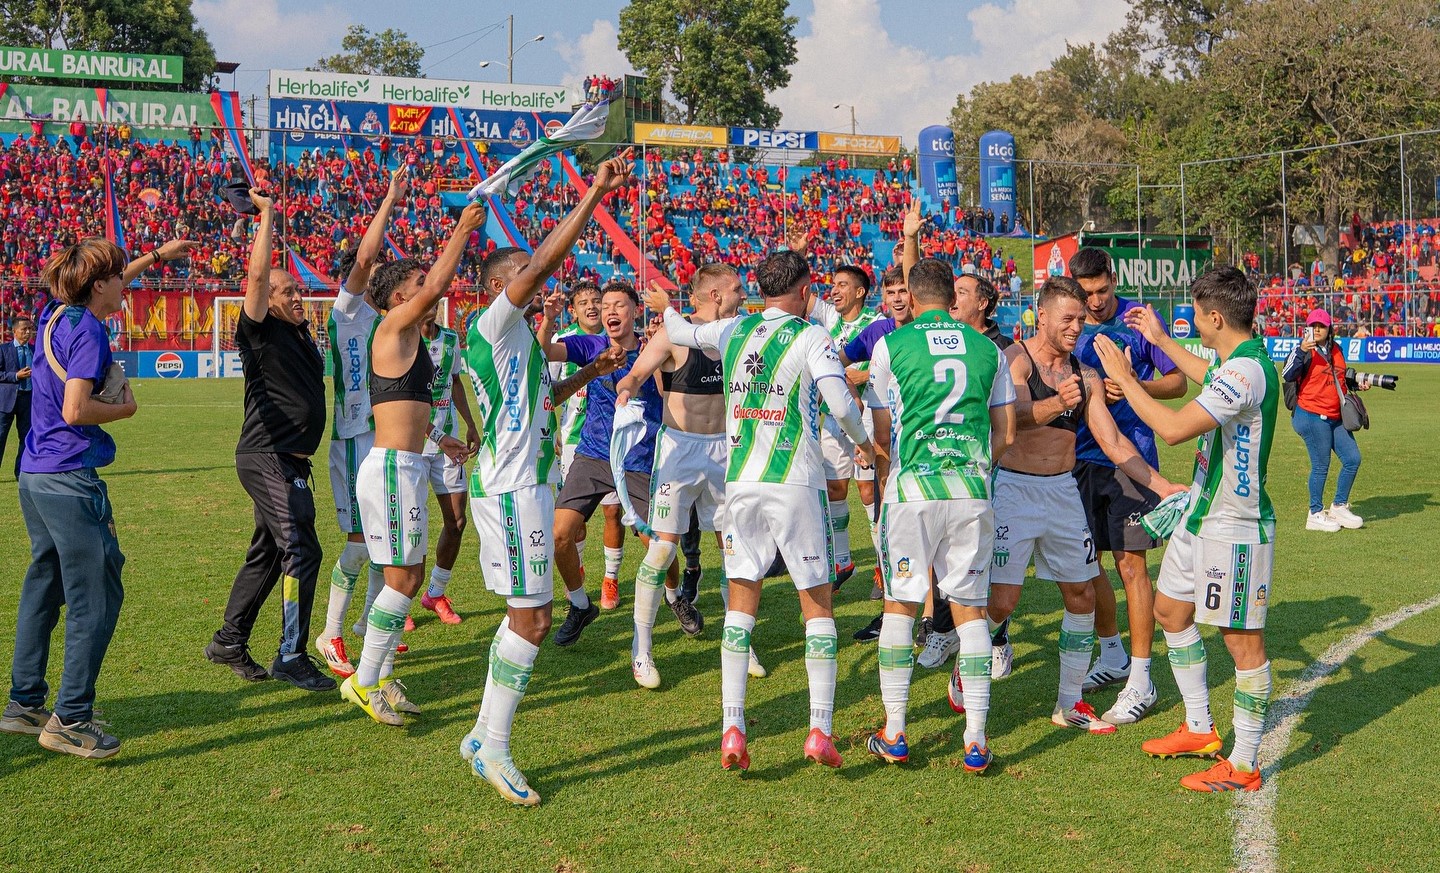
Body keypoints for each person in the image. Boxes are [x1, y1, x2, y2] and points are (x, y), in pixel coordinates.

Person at [456, 152, 635, 806]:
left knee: (523, 614)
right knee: (531, 619)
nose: (535, 285)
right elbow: (539, 266)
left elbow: (547, 399)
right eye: (523, 277)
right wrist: (594, 195)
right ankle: (497, 748)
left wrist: (595, 370)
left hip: (514, 485)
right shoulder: (494, 321)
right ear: (506, 284)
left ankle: (482, 734)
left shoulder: (517, 342)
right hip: (511, 491)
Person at [666, 249, 876, 771]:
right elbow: (842, 402)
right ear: (805, 291)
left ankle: (732, 728)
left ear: (762, 290)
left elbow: (680, 330)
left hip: (739, 486)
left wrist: (664, 306)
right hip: (795, 484)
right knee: (818, 606)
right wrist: (863, 443)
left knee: (741, 605)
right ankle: (819, 731)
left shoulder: (733, 331)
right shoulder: (811, 337)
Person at [1093, 266, 1277, 793]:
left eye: (1196, 314)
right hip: (1201, 512)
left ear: (1216, 317)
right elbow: (1204, 371)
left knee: (1242, 644)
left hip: (1234, 524)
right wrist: (1160, 339)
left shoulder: (1245, 374)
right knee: (1171, 610)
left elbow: (1173, 430)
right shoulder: (1236, 357)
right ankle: (1200, 727)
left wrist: (1127, 382)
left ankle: (1243, 764)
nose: (1193, 321)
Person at [1, 237, 188, 757]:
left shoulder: (56, 314)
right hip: (68, 477)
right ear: (99, 283)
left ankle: (24, 704)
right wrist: (126, 410)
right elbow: (77, 410)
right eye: (119, 277)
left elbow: (110, 281)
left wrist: (156, 256)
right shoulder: (87, 330)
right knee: (96, 596)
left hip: (34, 475)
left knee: (45, 583)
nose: (126, 284)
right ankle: (72, 719)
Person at [985, 276, 1182, 735]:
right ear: (1043, 316)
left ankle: (1069, 702)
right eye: (1068, 319)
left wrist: (1161, 483)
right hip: (1014, 487)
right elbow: (1010, 420)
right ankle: (968, 661)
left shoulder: (1086, 373)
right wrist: (1057, 402)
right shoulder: (1015, 359)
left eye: (1081, 319)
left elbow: (1113, 443)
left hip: (1062, 492)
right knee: (1003, 599)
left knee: (1081, 596)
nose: (1077, 327)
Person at [864, 258, 1015, 770]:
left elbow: (881, 432)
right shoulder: (988, 350)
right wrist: (970, 465)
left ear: (912, 294)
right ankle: (975, 737)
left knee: (901, 605)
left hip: (912, 490)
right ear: (953, 297)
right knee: (971, 611)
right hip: (971, 489)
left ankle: (896, 731)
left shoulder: (891, 345)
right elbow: (1008, 433)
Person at [339, 201, 485, 725]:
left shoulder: (413, 342)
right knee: (403, 579)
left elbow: (400, 403)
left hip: (407, 463)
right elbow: (436, 288)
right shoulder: (392, 327)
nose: (430, 290)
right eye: (419, 284)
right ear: (401, 298)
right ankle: (365, 679)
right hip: (393, 470)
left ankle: (375, 673)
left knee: (410, 573)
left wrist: (439, 437)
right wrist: (462, 232)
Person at [205, 191, 337, 692]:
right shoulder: (258, 333)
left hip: (291, 464)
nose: (296, 296)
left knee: (268, 553)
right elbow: (258, 278)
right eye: (286, 292)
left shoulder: (303, 333)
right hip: (267, 459)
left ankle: (229, 641)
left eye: (298, 289)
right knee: (301, 549)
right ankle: (292, 655)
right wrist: (267, 216)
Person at [613, 266, 752, 689]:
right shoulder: (674, 333)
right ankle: (642, 650)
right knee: (661, 552)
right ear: (714, 293)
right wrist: (627, 389)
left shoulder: (738, 333)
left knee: (735, 550)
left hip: (726, 451)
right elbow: (637, 372)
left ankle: (742, 645)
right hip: (679, 451)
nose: (744, 296)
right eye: (737, 291)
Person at [1068, 248, 1187, 726]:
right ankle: (1112, 653)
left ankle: (1142, 678)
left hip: (1131, 461)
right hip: (1078, 459)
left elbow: (1178, 383)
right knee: (1084, 561)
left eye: (1102, 290)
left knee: (1131, 566)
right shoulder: (1069, 324)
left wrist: (1135, 384)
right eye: (1086, 294)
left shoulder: (1139, 323)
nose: (1096, 302)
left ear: (1113, 280)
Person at [540, 279, 676, 646]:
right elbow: (544, 353)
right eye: (605, 306)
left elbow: (667, 400)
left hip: (639, 459)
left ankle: (676, 597)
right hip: (594, 454)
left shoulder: (654, 351)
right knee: (559, 534)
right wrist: (549, 320)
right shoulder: (592, 345)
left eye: (618, 305)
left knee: (660, 540)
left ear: (635, 311)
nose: (610, 311)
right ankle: (580, 604)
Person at [317, 169, 410, 679]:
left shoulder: (390, 325)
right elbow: (366, 258)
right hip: (353, 439)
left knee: (383, 546)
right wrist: (391, 198)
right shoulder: (348, 312)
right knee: (360, 545)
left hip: (386, 442)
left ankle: (369, 631)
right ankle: (330, 631)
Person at [914, 273, 1014, 668]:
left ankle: (997, 639)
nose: (952, 299)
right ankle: (943, 633)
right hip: (939, 470)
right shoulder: (934, 341)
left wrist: (979, 461)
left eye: (962, 292)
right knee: (940, 554)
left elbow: (1006, 425)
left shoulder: (1002, 349)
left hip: (989, 471)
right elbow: (917, 279)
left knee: (984, 560)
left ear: (984, 303)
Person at [551, 280, 630, 610]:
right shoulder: (564, 342)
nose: (592, 306)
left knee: (614, 512)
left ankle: (610, 578)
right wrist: (554, 429)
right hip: (574, 440)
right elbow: (548, 388)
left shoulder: (619, 341)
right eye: (584, 302)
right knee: (575, 520)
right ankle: (578, 575)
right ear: (573, 310)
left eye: (596, 300)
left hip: (615, 439)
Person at [414, 304, 481, 624]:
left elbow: (455, 382)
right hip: (411, 444)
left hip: (448, 444)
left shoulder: (451, 340)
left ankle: (436, 593)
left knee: (456, 521)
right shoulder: (404, 339)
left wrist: (469, 422)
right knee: (411, 529)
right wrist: (436, 435)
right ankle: (399, 603)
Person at [816, 264, 882, 585]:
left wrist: (865, 374)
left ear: (860, 292)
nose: (835, 290)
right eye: (833, 284)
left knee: (868, 491)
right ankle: (843, 562)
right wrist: (798, 253)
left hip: (870, 412)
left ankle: (883, 565)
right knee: (834, 488)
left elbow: (892, 363)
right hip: (833, 415)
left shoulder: (879, 323)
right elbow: (800, 296)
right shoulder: (830, 318)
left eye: (842, 284)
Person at [1281, 308, 1366, 532]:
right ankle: (1315, 513)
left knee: (1352, 459)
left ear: (1329, 329)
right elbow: (1287, 374)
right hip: (1310, 414)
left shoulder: (1336, 350)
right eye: (1313, 326)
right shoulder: (1304, 350)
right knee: (1321, 465)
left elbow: (1341, 379)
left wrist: (1358, 384)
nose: (1317, 329)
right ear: (1307, 328)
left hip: (1334, 416)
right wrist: (1300, 351)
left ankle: (1338, 506)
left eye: (1321, 326)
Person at [0, 315, 36, 477]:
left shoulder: (36, 351)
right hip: (6, 401)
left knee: (26, 438)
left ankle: (20, 472)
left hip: (28, 400)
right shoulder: (3, 349)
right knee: (1, 438)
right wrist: (15, 376)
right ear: (15, 331)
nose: (28, 332)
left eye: (30, 329)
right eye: (24, 329)